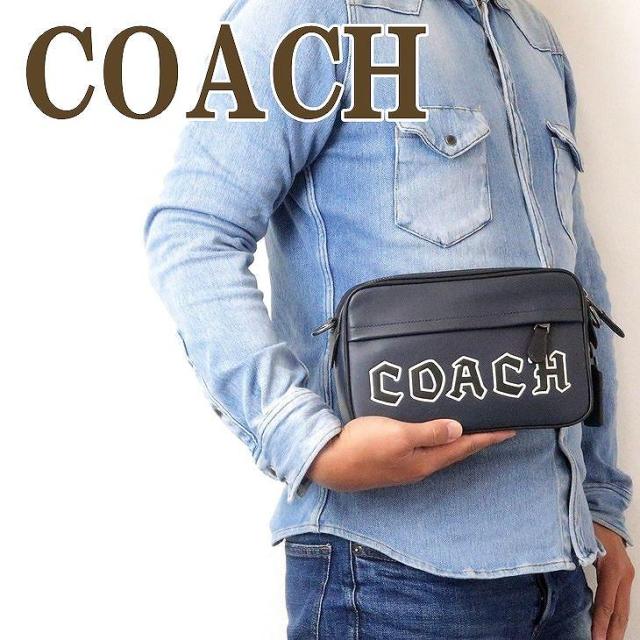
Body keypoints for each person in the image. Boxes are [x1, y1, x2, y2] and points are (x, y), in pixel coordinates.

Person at [145, 0, 634, 638]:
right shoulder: (304, 15)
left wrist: (600, 503)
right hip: (388, 576)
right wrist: (305, 442)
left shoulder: (534, 37)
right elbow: (193, 234)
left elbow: (577, 290)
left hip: (563, 575)